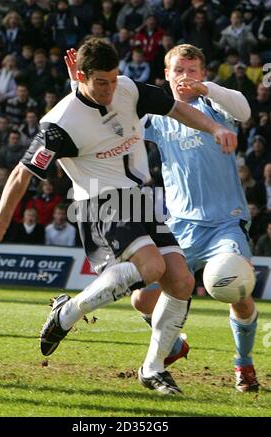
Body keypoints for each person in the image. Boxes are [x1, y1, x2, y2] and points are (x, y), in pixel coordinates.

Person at [0, 38, 236, 395]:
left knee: (180, 281)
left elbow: (174, 108)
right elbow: (23, 174)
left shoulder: (127, 90)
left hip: (140, 199)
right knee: (152, 267)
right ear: (81, 76)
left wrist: (216, 128)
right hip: (99, 200)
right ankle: (67, 314)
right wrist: (1, 221)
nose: (110, 88)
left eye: (114, 79)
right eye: (101, 82)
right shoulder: (59, 124)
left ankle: (153, 368)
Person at [130, 44, 260, 393]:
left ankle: (243, 364)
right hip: (181, 228)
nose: (185, 77)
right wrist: (76, 87)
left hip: (225, 223)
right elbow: (114, 121)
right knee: (142, 299)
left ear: (202, 74)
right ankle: (172, 346)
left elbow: (245, 110)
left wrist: (206, 90)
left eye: (192, 70)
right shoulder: (158, 117)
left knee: (239, 294)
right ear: (167, 75)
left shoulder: (216, 106)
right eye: (179, 70)